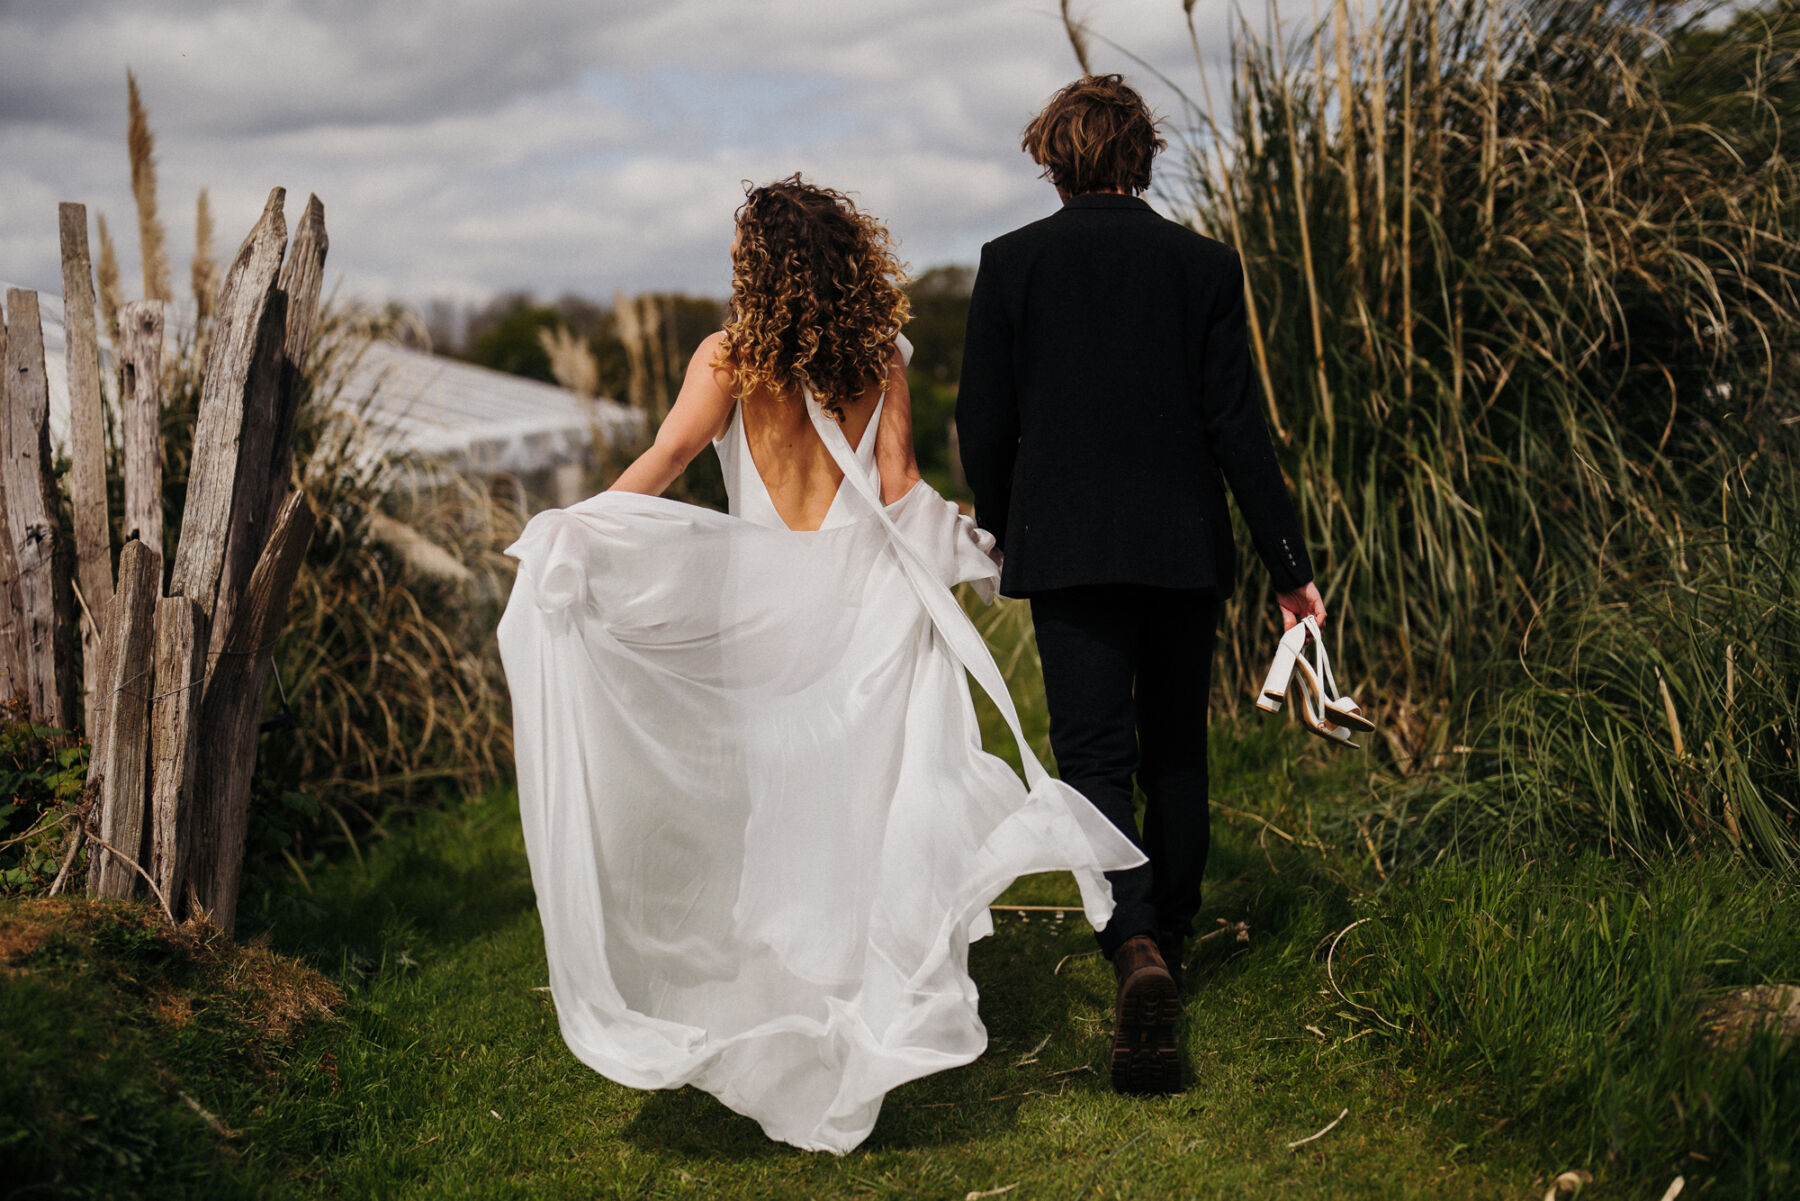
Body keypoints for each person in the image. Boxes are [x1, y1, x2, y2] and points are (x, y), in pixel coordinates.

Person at [497, 175, 1143, 1155]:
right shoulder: (878, 355)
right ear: (847, 260)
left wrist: (577, 530)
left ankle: (808, 977)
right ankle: (863, 969)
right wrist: (973, 545)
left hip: (762, 609)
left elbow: (669, 457)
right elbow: (899, 488)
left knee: (785, 792)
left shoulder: (727, 358)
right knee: (867, 794)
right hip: (864, 604)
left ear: (758, 267)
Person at [956, 75, 1327, 1096]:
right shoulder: (1202, 265)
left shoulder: (1009, 264)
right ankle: (1172, 932)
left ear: (1054, 157)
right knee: (1176, 746)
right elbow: (1240, 434)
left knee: (1092, 754)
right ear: (1145, 155)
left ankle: (1133, 946)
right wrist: (1290, 569)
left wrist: (1001, 521)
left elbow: (982, 426)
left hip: (1066, 547)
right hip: (1181, 548)